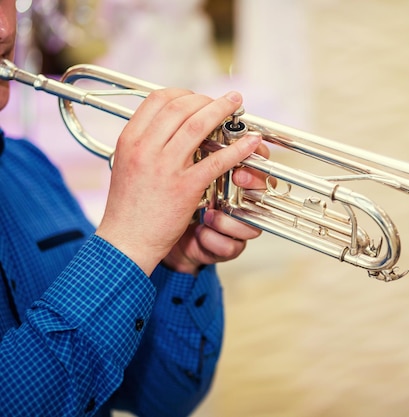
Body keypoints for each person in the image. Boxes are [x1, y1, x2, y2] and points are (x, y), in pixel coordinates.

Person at [0, 1, 269, 415]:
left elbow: (162, 399)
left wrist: (175, 263)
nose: (5, 27)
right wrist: (128, 245)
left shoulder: (29, 167)